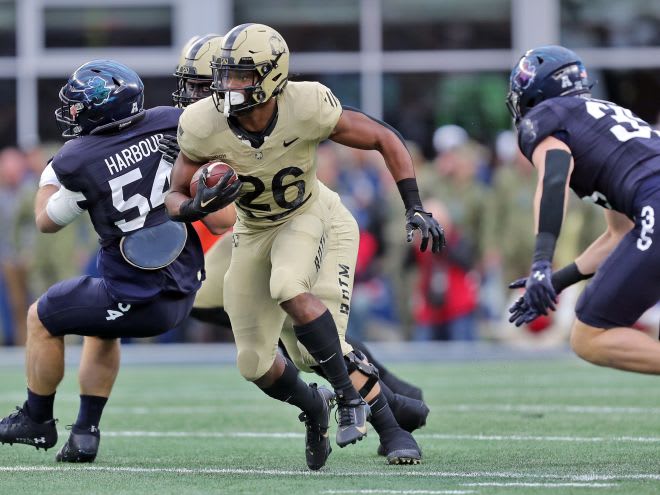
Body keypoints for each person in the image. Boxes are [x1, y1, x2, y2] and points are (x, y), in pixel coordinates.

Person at [165, 23, 444, 469]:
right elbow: (176, 199)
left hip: (312, 217)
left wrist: (415, 205)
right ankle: (321, 407)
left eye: (237, 76)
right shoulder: (199, 126)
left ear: (272, 76)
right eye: (218, 77)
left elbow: (382, 137)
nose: (221, 88)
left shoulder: (307, 104)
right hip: (254, 231)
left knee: (290, 289)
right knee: (254, 361)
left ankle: (382, 420)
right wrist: (193, 206)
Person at [0, 60, 231, 463]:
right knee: (98, 325)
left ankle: (37, 417)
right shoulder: (169, 122)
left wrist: (48, 178)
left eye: (76, 107)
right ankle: (85, 433)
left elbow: (46, 221)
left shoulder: (78, 159)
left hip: (139, 291)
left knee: (42, 316)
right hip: (185, 278)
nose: (71, 116)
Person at [505, 45, 660, 372]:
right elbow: (619, 234)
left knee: (591, 336)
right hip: (650, 207)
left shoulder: (546, 118)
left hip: (655, 202)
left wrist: (540, 263)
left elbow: (555, 176)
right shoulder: (601, 119)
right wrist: (557, 281)